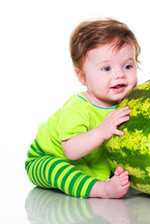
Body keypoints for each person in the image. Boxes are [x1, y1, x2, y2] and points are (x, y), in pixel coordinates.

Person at [25, 18, 141, 198]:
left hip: (90, 162)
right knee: (60, 171)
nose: (120, 74)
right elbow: (71, 151)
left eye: (128, 66)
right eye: (106, 68)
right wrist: (101, 132)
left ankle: (108, 181)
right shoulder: (78, 108)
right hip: (47, 158)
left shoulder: (130, 102)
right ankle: (100, 189)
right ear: (83, 77)